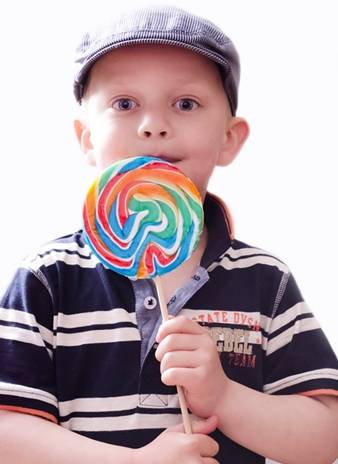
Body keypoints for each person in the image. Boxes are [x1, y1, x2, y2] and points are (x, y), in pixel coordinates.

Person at [0, 5, 337, 464]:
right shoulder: (47, 278)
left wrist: (223, 397)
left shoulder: (265, 279)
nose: (153, 124)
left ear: (229, 138)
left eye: (185, 104)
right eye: (124, 104)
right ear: (86, 139)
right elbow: (7, 429)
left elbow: (326, 437)